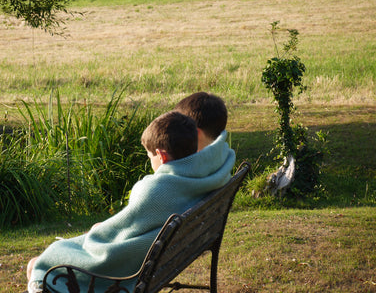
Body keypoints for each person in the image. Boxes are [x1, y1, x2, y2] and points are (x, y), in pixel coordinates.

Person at [27, 105, 235, 293]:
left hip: (121, 271)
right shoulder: (205, 176)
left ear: (161, 156)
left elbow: (118, 235)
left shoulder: (155, 189)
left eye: (149, 156)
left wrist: (99, 230)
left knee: (41, 263)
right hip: (159, 260)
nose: (150, 162)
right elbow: (130, 227)